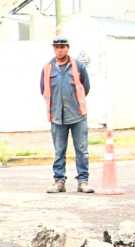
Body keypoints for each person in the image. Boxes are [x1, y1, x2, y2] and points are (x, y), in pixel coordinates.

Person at [39, 35, 94, 194]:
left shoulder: (78, 66)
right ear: (54, 49)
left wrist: (76, 103)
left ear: (68, 48)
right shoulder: (47, 68)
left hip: (77, 115)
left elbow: (86, 87)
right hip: (57, 117)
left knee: (82, 150)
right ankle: (59, 182)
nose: (60, 49)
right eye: (57, 47)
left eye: (63, 46)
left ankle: (83, 182)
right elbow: (43, 89)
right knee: (59, 151)